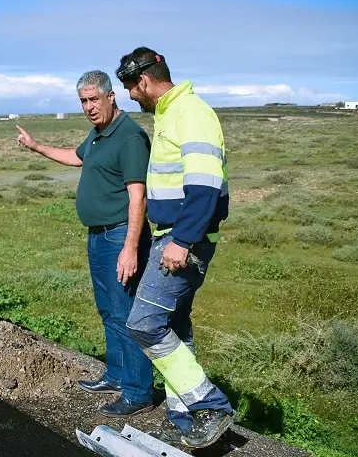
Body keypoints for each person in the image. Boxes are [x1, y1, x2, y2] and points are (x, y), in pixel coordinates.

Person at [15, 70, 155, 417]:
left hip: (120, 234)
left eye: (94, 99)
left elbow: (138, 196)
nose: (89, 107)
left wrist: (130, 247)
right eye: (83, 101)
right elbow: (77, 157)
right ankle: (116, 375)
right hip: (98, 236)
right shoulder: (98, 134)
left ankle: (138, 392)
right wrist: (36, 147)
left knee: (126, 313)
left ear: (111, 97)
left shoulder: (130, 137)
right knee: (108, 310)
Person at [115, 47, 235, 448]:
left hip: (183, 239)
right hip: (174, 235)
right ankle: (183, 415)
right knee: (175, 326)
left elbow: (204, 186)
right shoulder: (169, 113)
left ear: (145, 80)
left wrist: (181, 240)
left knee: (144, 324)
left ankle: (211, 407)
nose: (132, 95)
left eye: (132, 87)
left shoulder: (191, 112)